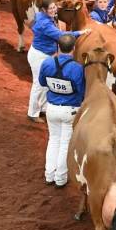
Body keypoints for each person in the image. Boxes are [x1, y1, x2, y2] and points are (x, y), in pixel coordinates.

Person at [27, 0, 89, 123]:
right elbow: (62, 36)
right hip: (39, 55)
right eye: (50, 8)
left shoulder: (41, 15)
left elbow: (33, 23)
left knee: (44, 86)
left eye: (54, 7)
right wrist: (80, 33)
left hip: (44, 53)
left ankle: (43, 108)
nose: (54, 10)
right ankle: (32, 113)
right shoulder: (45, 24)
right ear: (44, 10)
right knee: (38, 84)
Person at [38, 34, 85, 187]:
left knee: (53, 140)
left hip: (51, 108)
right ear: (74, 49)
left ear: (58, 47)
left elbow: (42, 82)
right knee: (65, 143)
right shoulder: (77, 69)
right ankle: (60, 178)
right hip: (70, 110)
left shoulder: (47, 63)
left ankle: (49, 175)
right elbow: (81, 90)